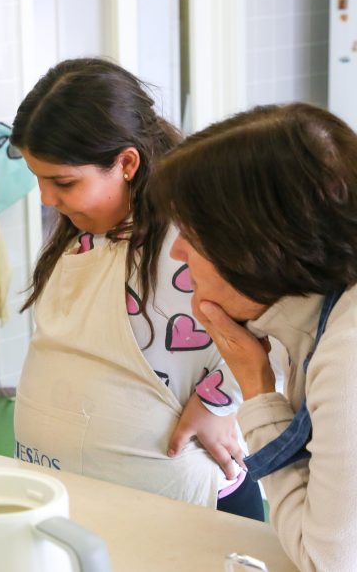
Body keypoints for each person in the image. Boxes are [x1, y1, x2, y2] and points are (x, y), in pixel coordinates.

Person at [9, 58, 263, 518]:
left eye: (63, 182)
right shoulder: (85, 233)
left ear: (126, 163)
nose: (46, 198)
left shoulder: (195, 237)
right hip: (69, 497)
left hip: (181, 506)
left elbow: (281, 332)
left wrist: (220, 402)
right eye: (39, 179)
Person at [150, 103, 357, 570]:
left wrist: (257, 389)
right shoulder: (311, 315)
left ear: (255, 250)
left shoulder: (348, 357)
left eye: (192, 236)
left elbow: (327, 561)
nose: (178, 252)